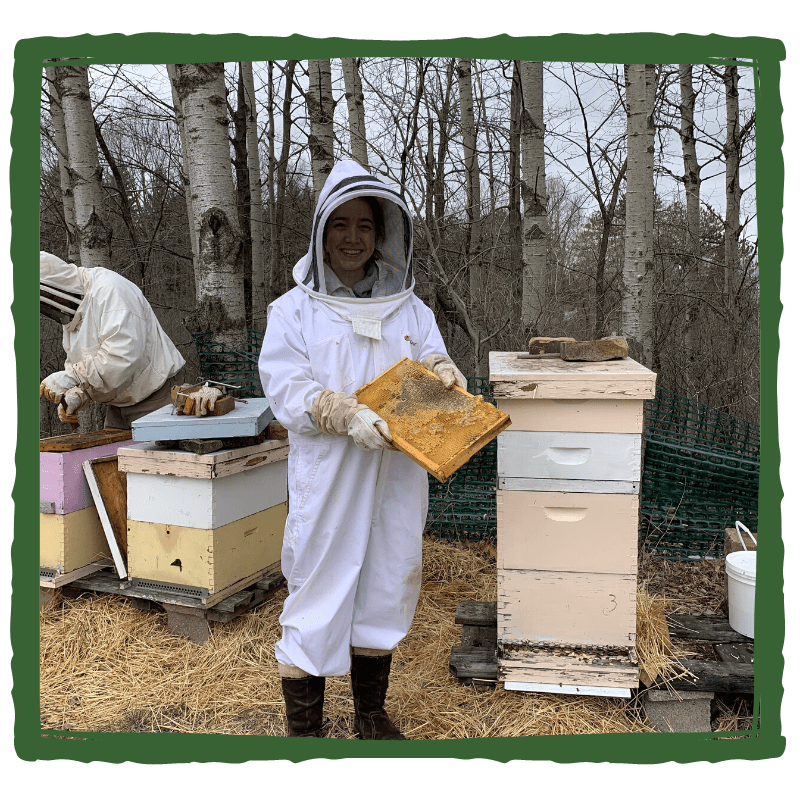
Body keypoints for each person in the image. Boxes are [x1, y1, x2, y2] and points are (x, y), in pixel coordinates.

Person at [259, 160, 467, 739]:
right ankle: (306, 734)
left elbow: (429, 361)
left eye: (365, 226)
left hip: (398, 475)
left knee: (388, 581)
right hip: (330, 475)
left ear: (384, 234)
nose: (353, 238)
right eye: (341, 224)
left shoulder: (410, 309)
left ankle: (370, 717)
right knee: (319, 590)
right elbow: (286, 387)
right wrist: (340, 411)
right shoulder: (293, 311)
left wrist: (443, 372)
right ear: (322, 230)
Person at [39, 251, 187, 429]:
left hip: (156, 398)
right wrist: (76, 394)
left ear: (53, 285)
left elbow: (122, 357)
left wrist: (72, 376)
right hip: (118, 407)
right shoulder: (73, 313)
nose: (48, 307)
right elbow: (86, 365)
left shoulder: (111, 290)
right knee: (110, 455)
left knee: (162, 457)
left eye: (47, 298)